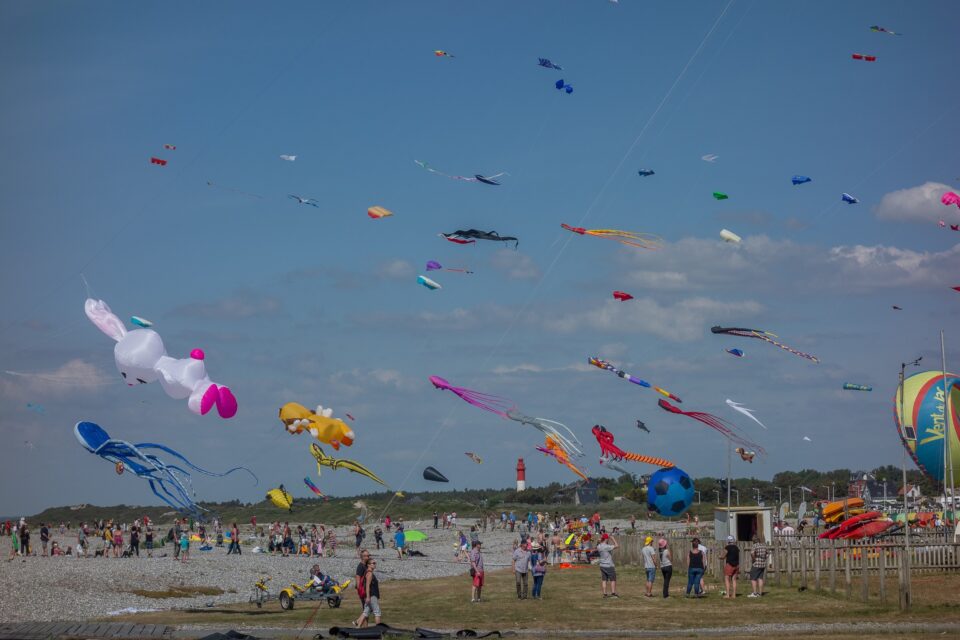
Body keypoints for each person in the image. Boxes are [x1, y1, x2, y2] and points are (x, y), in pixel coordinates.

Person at [357, 559, 381, 627]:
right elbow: (367, 586)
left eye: (375, 563)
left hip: (369, 596)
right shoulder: (369, 573)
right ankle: (379, 629)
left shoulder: (367, 572)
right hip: (371, 595)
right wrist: (368, 597)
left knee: (365, 612)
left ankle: (357, 628)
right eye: (373, 563)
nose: (374, 564)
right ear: (368, 565)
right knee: (377, 612)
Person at [596, 533, 619, 598]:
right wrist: (613, 538)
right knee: (613, 579)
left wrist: (601, 540)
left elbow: (599, 543)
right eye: (608, 538)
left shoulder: (599, 546)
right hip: (609, 565)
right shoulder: (606, 546)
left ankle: (605, 594)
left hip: (602, 565)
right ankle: (613, 593)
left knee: (604, 580)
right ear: (606, 539)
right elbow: (617, 545)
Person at [354, 549, 371, 617]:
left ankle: (363, 626)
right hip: (363, 591)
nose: (368, 557)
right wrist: (361, 593)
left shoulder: (366, 565)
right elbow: (357, 580)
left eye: (368, 555)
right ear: (362, 557)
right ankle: (360, 625)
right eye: (366, 556)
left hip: (366, 590)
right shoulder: (360, 567)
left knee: (367, 612)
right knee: (365, 612)